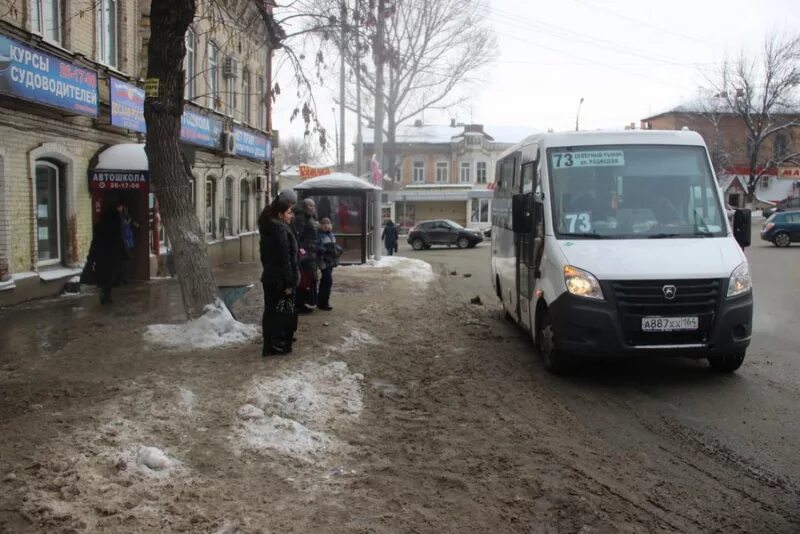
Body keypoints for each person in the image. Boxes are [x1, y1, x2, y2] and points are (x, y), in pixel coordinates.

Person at [258, 197, 299, 356]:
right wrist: (289, 282)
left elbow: (264, 256)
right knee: (280, 313)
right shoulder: (279, 230)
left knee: (271, 311)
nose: (292, 215)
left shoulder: (268, 227)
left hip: (270, 277)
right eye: (289, 212)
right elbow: (285, 258)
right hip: (280, 279)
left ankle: (270, 344)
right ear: (280, 214)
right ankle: (277, 344)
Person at [82, 202, 128, 304]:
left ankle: (104, 293)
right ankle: (106, 294)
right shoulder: (116, 229)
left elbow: (94, 243)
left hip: (101, 257)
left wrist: (91, 257)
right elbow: (119, 243)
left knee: (103, 276)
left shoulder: (99, 228)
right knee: (109, 276)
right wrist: (123, 255)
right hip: (111, 257)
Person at [292, 198, 319, 313]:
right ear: (304, 207)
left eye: (313, 206)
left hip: (311, 252)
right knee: (304, 279)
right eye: (309, 206)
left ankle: (309, 302)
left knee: (311, 278)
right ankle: (301, 304)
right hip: (305, 254)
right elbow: (297, 236)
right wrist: (302, 250)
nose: (312, 208)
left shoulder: (311, 217)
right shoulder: (300, 218)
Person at [316, 217, 341, 311]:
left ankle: (322, 301)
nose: (326, 225)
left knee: (325, 281)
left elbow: (334, 246)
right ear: (320, 225)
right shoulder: (319, 235)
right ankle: (323, 302)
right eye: (324, 223)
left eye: (328, 223)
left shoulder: (331, 235)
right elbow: (317, 247)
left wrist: (338, 250)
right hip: (323, 261)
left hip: (330, 261)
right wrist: (325, 251)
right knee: (327, 281)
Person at [119, 204, 139, 284]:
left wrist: (134, 223)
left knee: (126, 260)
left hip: (128, 240)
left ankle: (124, 278)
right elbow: (125, 225)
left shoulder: (126, 216)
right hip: (124, 240)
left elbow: (132, 224)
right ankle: (123, 278)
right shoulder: (120, 217)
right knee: (123, 261)